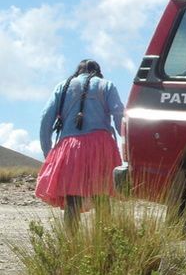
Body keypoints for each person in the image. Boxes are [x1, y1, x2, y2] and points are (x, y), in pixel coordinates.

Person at [35, 59, 124, 224]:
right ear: (97, 72)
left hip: (70, 148)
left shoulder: (63, 86)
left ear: (78, 71)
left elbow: (45, 119)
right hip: (101, 147)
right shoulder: (106, 85)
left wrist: (48, 153)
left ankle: (71, 243)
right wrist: (128, 144)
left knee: (72, 199)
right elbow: (119, 116)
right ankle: (106, 241)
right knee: (102, 196)